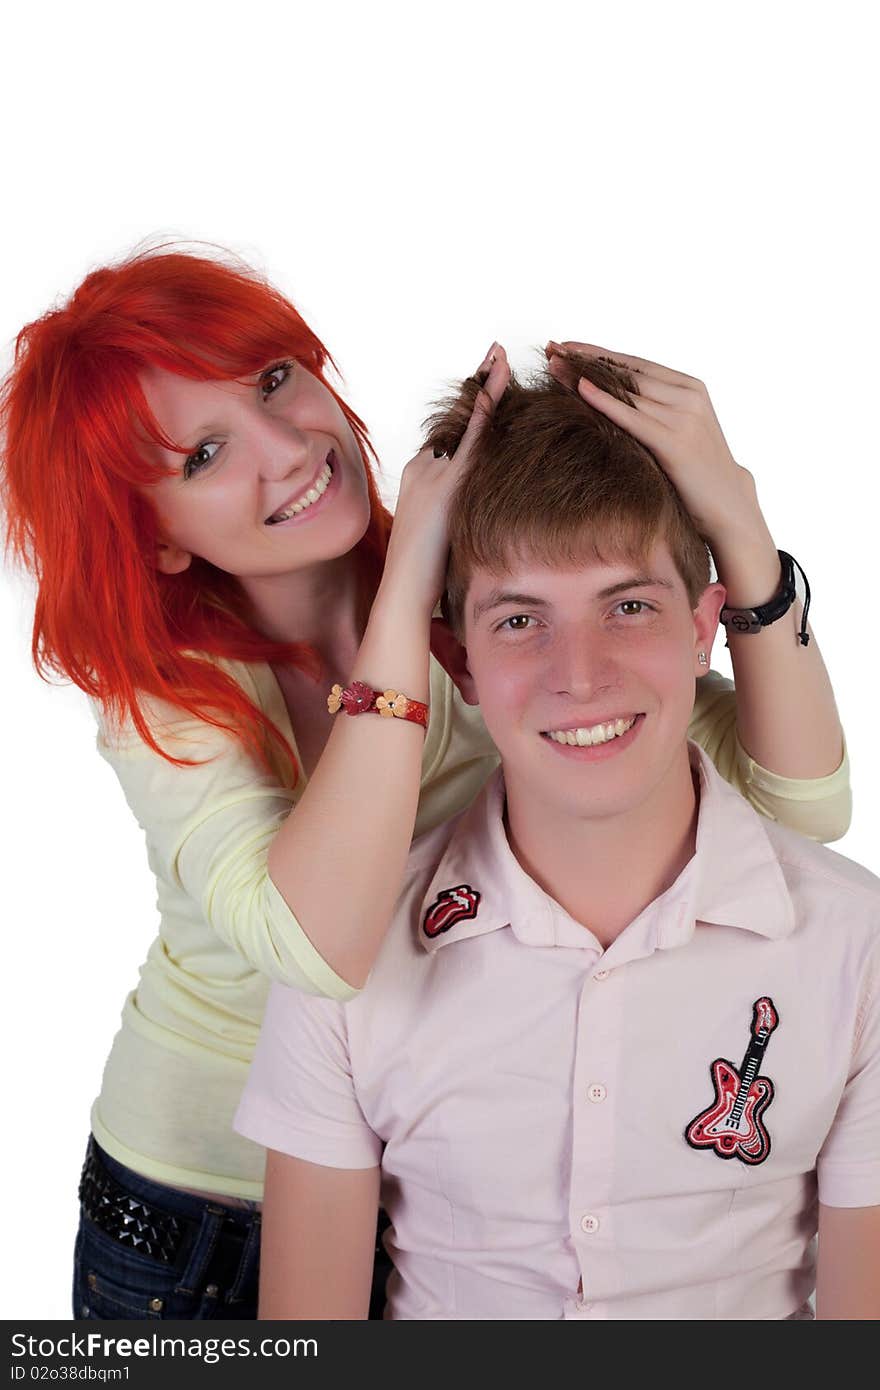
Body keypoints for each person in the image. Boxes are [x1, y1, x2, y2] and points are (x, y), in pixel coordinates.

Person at [0, 247, 849, 1321]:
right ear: (153, 539)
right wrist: (407, 593)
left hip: (419, 1182)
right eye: (204, 454)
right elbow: (323, 949)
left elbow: (798, 803)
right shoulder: (161, 693)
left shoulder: (484, 608)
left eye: (271, 381)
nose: (287, 447)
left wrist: (734, 515)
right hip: (205, 1213)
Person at [237, 355, 879, 1321]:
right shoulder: (349, 963)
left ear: (706, 627)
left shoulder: (855, 946)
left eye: (628, 606)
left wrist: (736, 509)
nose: (580, 675)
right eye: (521, 619)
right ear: (453, 658)